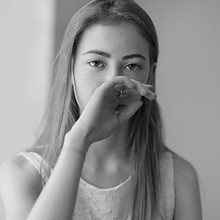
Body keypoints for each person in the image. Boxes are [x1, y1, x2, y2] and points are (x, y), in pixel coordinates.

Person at [0, 0, 202, 219]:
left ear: (149, 76)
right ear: (71, 70)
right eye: (97, 63)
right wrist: (78, 141)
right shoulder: (24, 173)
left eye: (131, 66)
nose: (113, 83)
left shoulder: (178, 178)